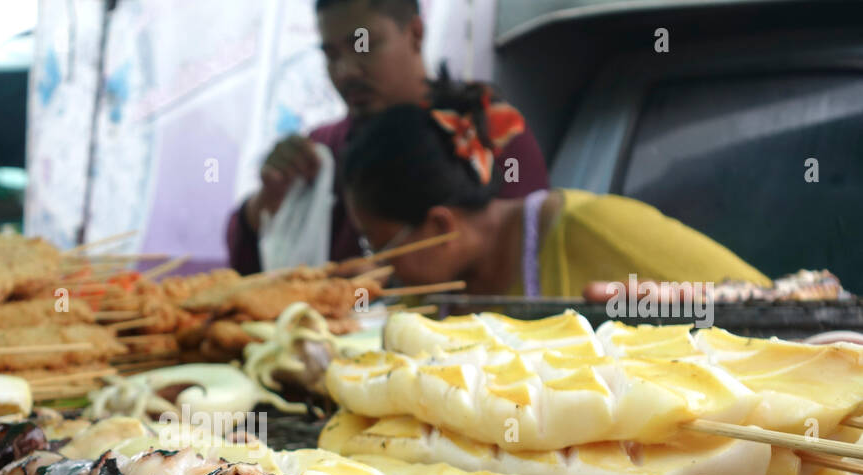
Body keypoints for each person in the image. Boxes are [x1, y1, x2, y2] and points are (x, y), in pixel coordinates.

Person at [226, 0, 548, 273]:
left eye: (363, 45)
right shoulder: (318, 155)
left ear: (415, 33)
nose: (346, 71)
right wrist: (266, 206)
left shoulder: (489, 131)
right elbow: (250, 277)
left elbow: (527, 252)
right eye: (331, 54)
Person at [340, 99, 769, 296]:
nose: (377, 267)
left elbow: (774, 305)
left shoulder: (598, 226)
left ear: (441, 226)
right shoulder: (427, 297)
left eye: (382, 247)